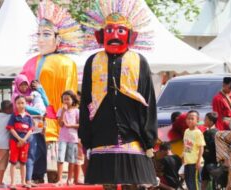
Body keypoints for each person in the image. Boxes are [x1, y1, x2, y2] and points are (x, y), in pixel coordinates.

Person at [79, 0, 158, 189]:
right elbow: (85, 101)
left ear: (131, 35)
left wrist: (149, 138)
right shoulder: (93, 61)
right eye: (109, 30)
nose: (114, 35)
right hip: (102, 132)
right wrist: (86, 136)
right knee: (108, 184)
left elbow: (148, 102)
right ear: (101, 35)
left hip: (133, 133)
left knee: (133, 183)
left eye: (121, 30)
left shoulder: (139, 61)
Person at [20, 0, 82, 182]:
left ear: (58, 38)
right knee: (33, 151)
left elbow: (69, 94)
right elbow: (21, 89)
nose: (40, 39)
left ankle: (59, 177)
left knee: (56, 157)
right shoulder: (29, 62)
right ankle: (35, 176)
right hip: (32, 119)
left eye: (46, 34)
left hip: (56, 119)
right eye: (38, 34)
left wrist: (61, 114)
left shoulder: (66, 63)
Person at [6, 95, 33, 189]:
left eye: (22, 103)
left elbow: (30, 130)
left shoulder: (29, 117)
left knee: (23, 162)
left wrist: (24, 139)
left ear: (26, 104)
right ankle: (12, 183)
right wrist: (19, 139)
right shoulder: (14, 116)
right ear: (15, 104)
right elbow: (11, 128)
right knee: (13, 162)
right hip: (14, 142)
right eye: (18, 103)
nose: (21, 105)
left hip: (25, 143)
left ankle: (23, 182)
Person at [56, 90, 80, 186]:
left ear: (72, 100)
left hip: (73, 138)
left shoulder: (76, 111)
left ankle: (70, 179)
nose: (65, 101)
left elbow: (80, 124)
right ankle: (60, 179)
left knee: (72, 160)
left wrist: (70, 125)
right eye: (64, 99)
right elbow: (60, 124)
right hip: (62, 138)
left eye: (68, 99)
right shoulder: (60, 110)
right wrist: (63, 112)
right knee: (60, 159)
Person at [183, 110, 206, 190]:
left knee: (195, 183)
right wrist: (183, 156)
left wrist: (198, 161)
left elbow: (201, 147)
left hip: (195, 162)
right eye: (188, 118)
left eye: (192, 118)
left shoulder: (198, 133)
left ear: (197, 120)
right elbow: (186, 146)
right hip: (188, 162)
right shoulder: (186, 131)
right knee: (188, 182)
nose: (189, 120)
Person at [202, 112, 218, 190]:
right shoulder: (217, 131)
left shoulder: (208, 133)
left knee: (205, 179)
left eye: (206, 119)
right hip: (215, 160)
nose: (204, 120)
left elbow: (207, 148)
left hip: (208, 161)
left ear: (211, 121)